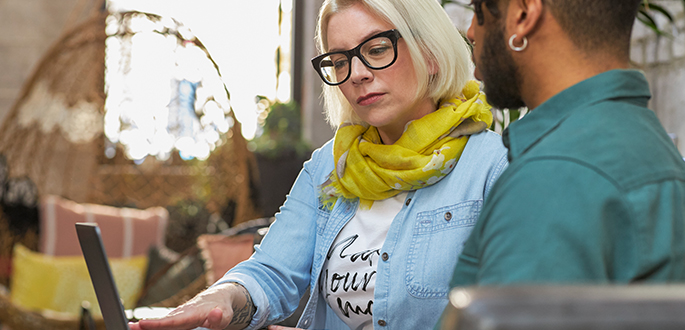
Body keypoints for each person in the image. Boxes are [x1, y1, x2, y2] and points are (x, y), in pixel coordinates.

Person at [130, 0, 508, 329]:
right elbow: (272, 272)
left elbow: (509, 313)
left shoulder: (494, 167)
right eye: (340, 60)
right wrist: (223, 298)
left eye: (376, 50)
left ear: (430, 51)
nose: (357, 74)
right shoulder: (331, 165)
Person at [448, 0, 685, 289]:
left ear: (523, 14)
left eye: (479, 11)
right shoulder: (647, 144)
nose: (471, 31)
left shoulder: (555, 174)